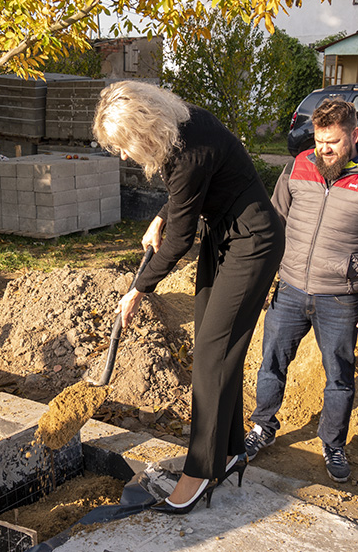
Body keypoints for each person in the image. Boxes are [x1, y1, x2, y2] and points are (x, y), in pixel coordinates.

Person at [93, 81, 284, 514]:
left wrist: (138, 289)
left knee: (211, 356)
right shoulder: (183, 124)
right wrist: (161, 216)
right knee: (217, 350)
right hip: (226, 237)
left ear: (143, 129)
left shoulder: (187, 152)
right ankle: (231, 450)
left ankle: (198, 474)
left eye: (124, 146)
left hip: (253, 243)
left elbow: (180, 240)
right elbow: (190, 194)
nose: (124, 155)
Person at [245, 99, 358, 483]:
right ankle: (263, 426)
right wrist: (263, 278)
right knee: (271, 364)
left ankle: (333, 443)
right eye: (319, 141)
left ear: (354, 135)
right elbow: (274, 221)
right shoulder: (299, 167)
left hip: (340, 298)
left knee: (339, 377)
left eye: (332, 142)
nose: (324, 150)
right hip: (290, 290)